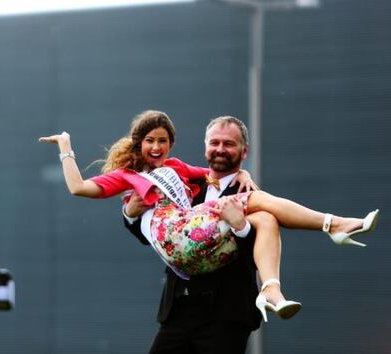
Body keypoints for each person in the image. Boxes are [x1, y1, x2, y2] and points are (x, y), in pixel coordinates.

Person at [40, 111, 379, 353]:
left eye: (229, 145)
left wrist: (240, 224)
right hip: (180, 306)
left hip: (226, 315)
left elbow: (248, 240)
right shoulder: (172, 182)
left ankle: (272, 292)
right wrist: (128, 212)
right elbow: (94, 196)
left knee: (264, 219)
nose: (220, 150)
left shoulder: (201, 177)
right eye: (214, 143)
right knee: (262, 208)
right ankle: (332, 225)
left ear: (242, 152)